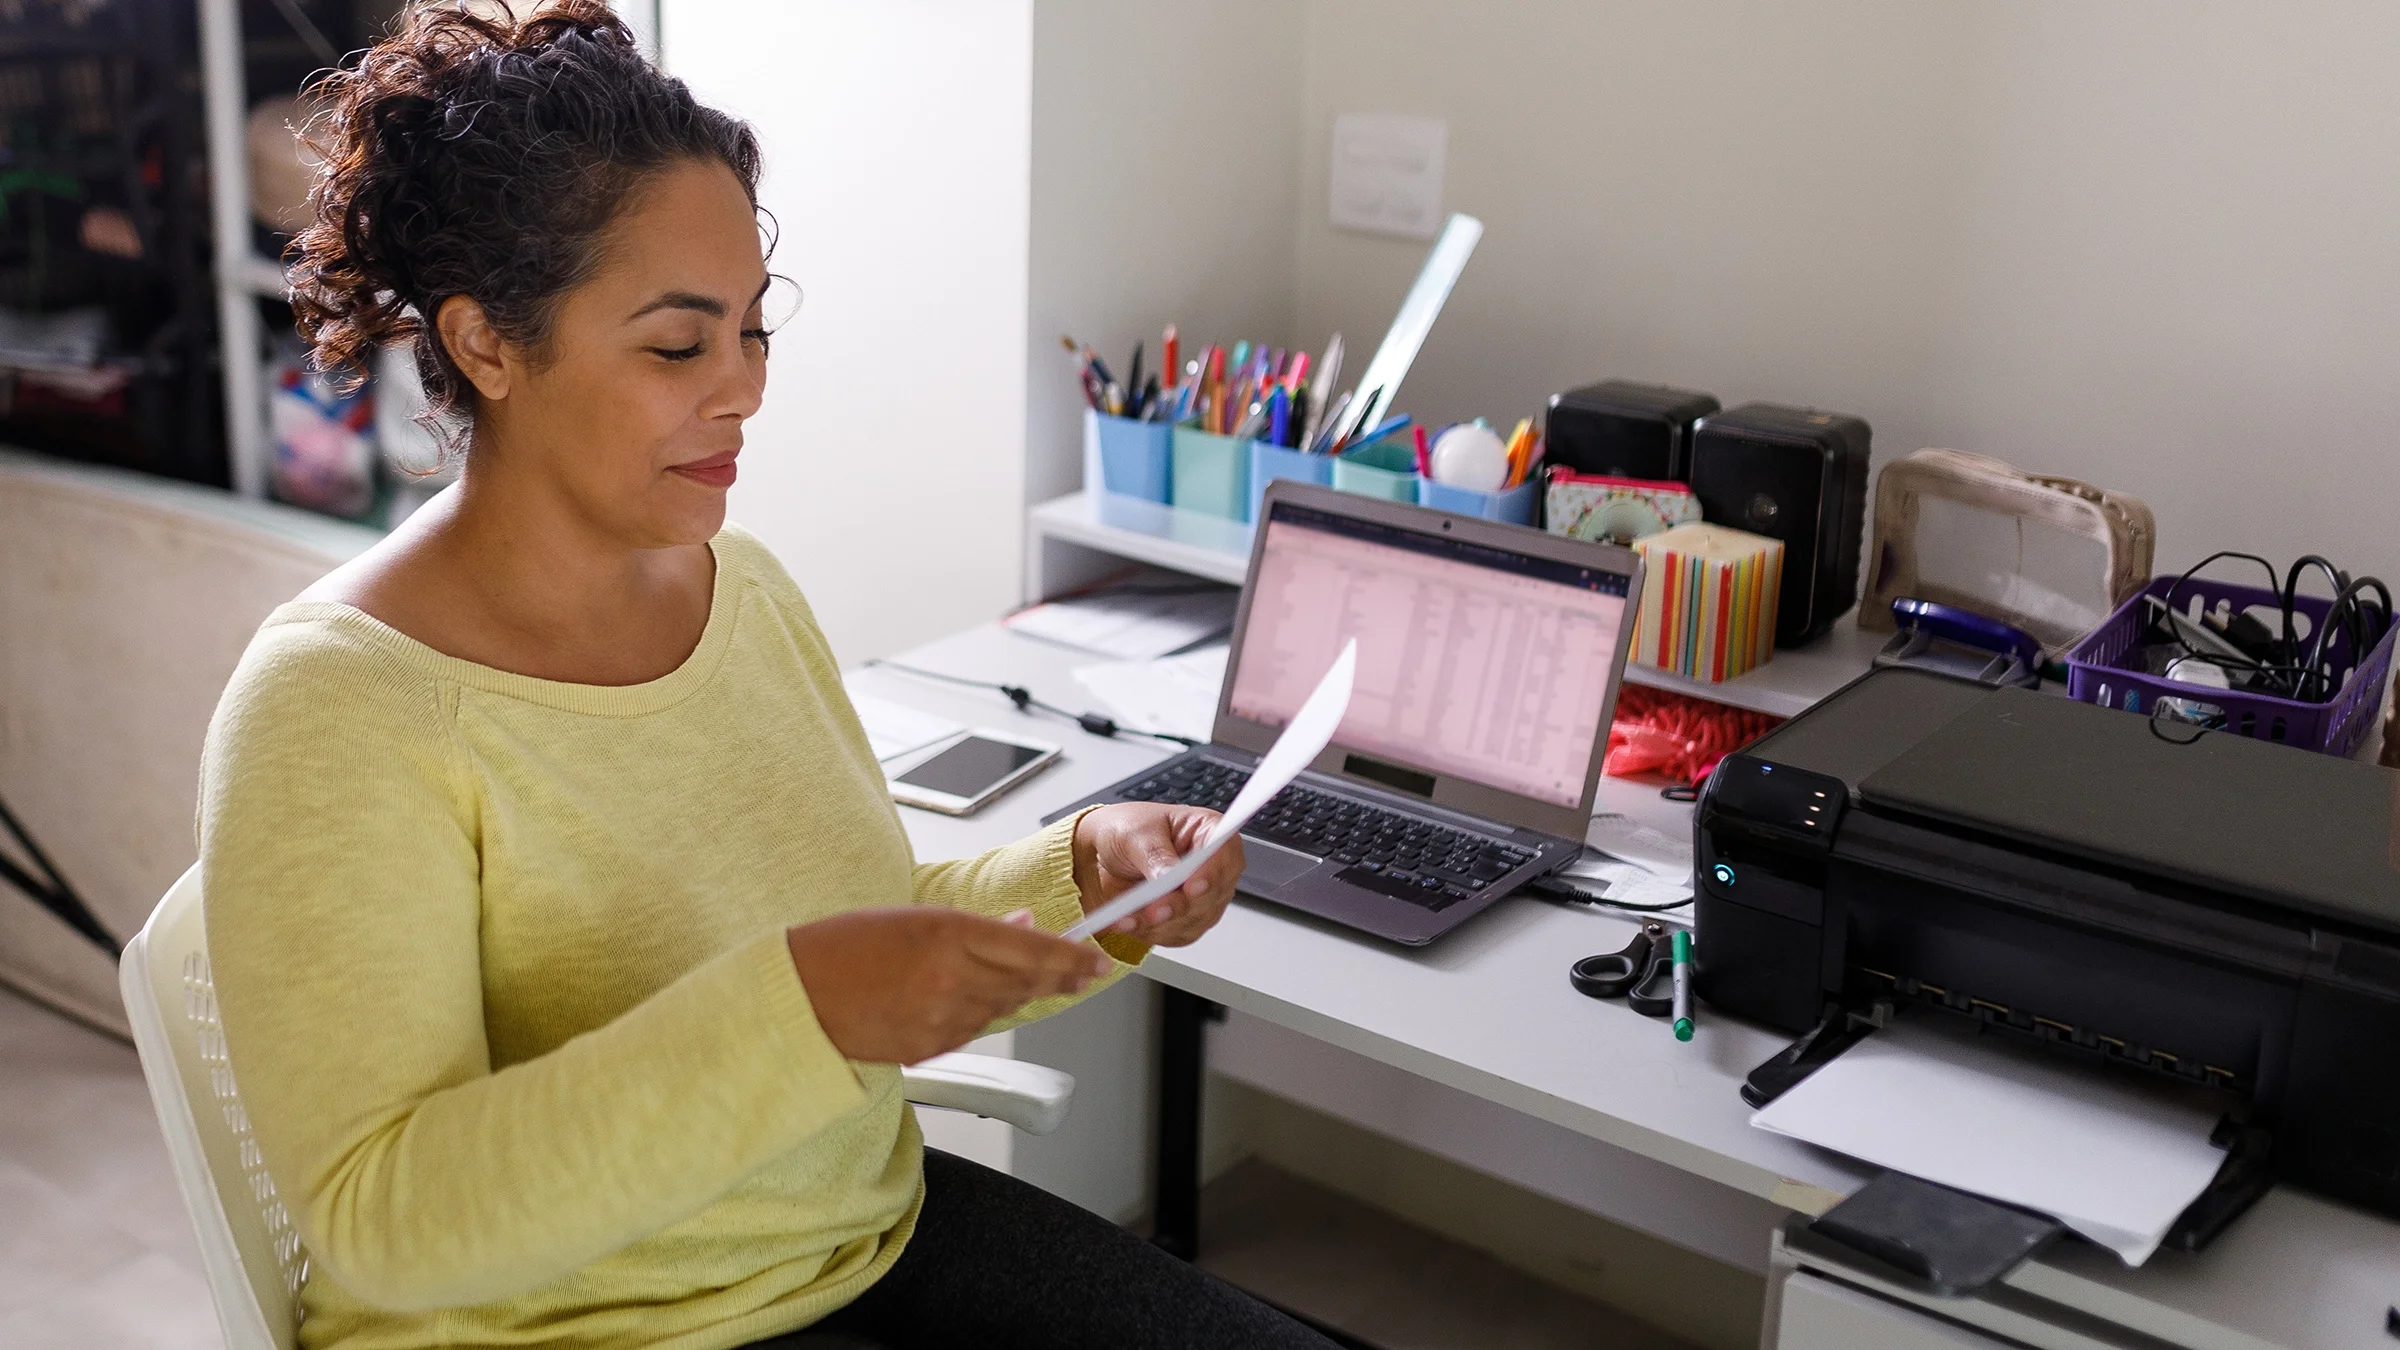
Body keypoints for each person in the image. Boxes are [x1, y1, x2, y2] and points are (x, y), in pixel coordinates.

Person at [198, 7, 1334, 1348]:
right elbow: (383, 1213)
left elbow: (858, 922)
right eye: (679, 346)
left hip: (863, 1244)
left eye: (753, 332)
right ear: (489, 344)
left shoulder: (740, 587)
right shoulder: (341, 706)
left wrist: (1084, 874)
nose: (739, 391)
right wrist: (800, 1009)